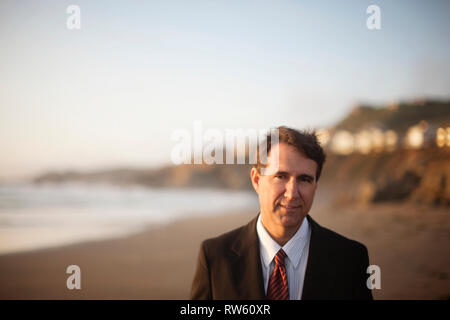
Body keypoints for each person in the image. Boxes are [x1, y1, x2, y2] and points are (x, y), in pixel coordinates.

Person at [190, 126, 373, 300]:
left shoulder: (351, 259)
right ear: (256, 180)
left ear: (315, 186)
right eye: (280, 176)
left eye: (304, 179)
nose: (292, 193)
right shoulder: (215, 257)